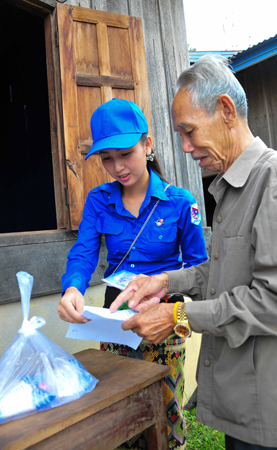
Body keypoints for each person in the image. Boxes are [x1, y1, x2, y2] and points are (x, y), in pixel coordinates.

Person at [110, 55, 277, 450]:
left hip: (272, 409)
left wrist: (180, 314)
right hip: (245, 403)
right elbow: (225, 272)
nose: (184, 147)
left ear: (226, 111)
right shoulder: (230, 187)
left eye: (189, 131)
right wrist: (165, 280)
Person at [58, 98, 208, 450]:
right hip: (115, 319)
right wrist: (72, 289)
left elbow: (200, 267)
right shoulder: (98, 200)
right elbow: (83, 252)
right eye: (106, 158)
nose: (117, 167)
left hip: (164, 319)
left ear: (147, 144)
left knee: (164, 407)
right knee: (118, 410)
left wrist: (174, 302)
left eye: (125, 153)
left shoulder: (181, 202)